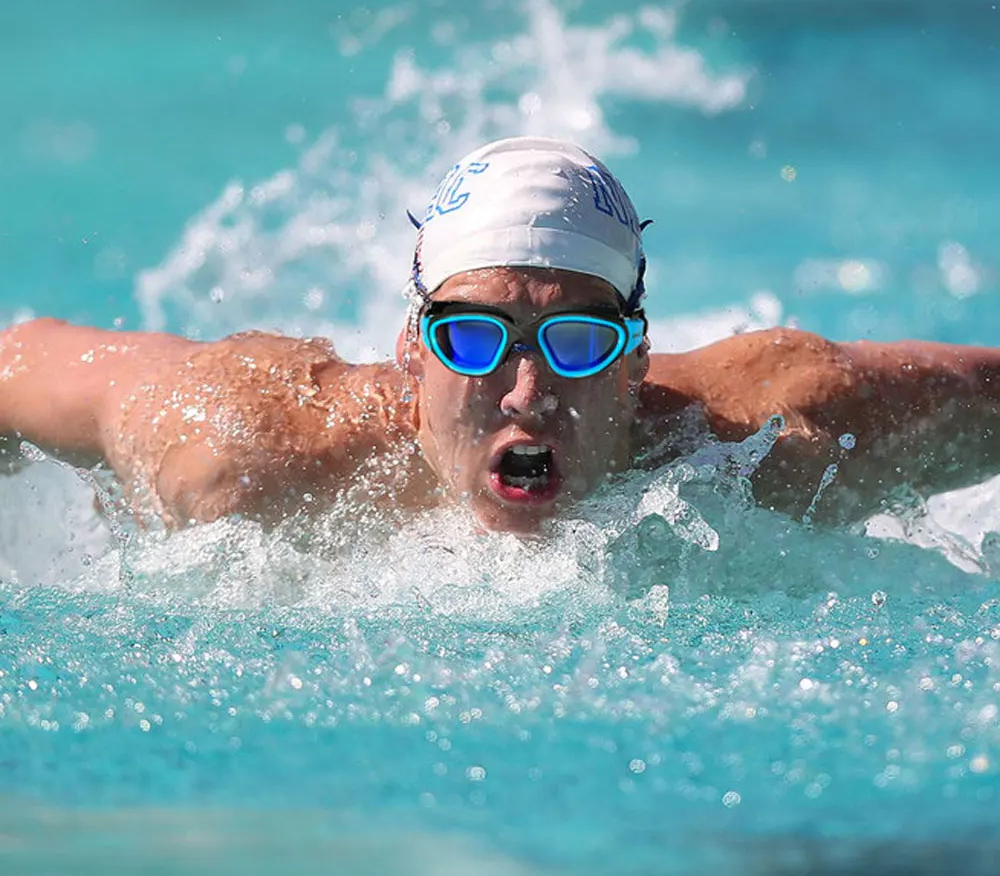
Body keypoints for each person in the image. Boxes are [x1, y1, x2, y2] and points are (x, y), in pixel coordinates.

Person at [1, 135, 999, 536]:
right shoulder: (244, 453)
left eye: (575, 342)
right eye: (474, 339)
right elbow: (14, 360)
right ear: (409, 351)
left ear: (636, 361)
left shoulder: (772, 444)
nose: (526, 391)